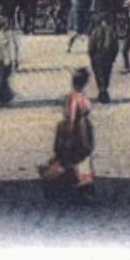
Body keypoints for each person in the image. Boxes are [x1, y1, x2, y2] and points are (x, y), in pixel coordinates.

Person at [42, 69, 97, 202]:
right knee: (78, 157)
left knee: (73, 157)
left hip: (79, 129)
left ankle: (71, 183)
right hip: (79, 130)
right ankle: (77, 185)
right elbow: (72, 117)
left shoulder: (74, 96)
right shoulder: (78, 98)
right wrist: (71, 133)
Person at [88, 10, 119, 104]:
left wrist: (91, 56)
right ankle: (104, 90)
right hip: (108, 56)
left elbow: (91, 45)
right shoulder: (112, 31)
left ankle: (102, 91)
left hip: (97, 56)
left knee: (99, 74)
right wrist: (113, 57)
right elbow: (115, 46)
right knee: (106, 74)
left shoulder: (95, 31)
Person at [0, 15, 18, 107]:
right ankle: (4, 98)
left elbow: (13, 47)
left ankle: (5, 98)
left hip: (6, 60)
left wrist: (14, 60)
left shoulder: (9, 34)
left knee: (1, 80)